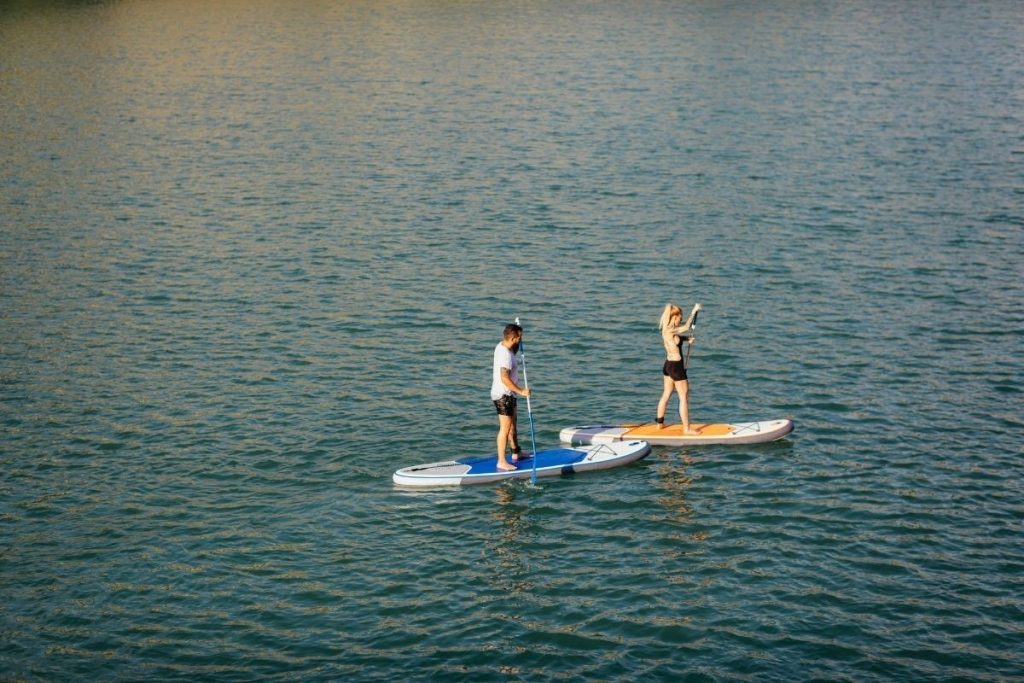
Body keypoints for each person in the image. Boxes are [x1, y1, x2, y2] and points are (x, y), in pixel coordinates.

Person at [491, 323, 532, 472]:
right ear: (513, 338)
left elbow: (511, 353)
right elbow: (504, 378)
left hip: (510, 394)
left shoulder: (503, 346)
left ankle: (516, 452)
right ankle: (501, 461)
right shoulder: (505, 355)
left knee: (513, 425)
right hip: (503, 395)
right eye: (519, 338)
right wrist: (521, 391)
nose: (521, 340)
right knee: (505, 428)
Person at [656, 303, 701, 434]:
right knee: (683, 397)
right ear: (673, 317)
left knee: (666, 395)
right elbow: (687, 326)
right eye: (679, 318)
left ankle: (659, 424)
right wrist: (694, 310)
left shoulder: (667, 329)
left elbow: (677, 338)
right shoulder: (672, 329)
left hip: (668, 366)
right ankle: (686, 429)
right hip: (676, 367)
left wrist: (687, 339)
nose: (680, 320)